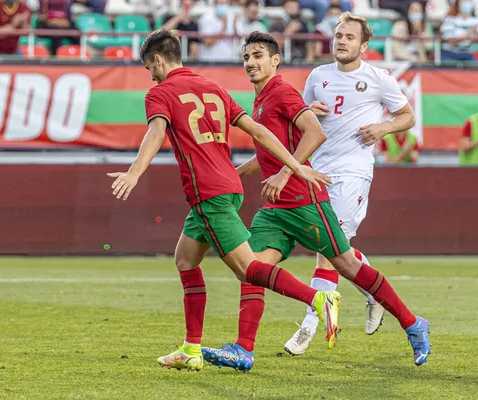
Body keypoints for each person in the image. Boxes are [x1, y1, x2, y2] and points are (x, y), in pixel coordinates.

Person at [107, 29, 339, 372]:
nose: (150, 74)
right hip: (226, 186)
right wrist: (295, 166)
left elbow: (156, 133)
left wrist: (134, 173)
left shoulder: (160, 92)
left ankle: (317, 299)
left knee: (249, 269)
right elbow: (260, 132)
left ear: (158, 60)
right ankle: (190, 349)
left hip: (209, 193)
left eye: (149, 67)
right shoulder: (213, 87)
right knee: (185, 260)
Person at [200, 31, 431, 371]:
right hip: (276, 208)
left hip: (305, 202)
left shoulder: (281, 92)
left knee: (347, 266)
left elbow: (316, 133)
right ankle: (243, 350)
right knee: (252, 270)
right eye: (247, 57)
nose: (251, 62)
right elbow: (269, 154)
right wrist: (233, 175)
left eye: (259, 56)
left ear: (275, 60)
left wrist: (283, 174)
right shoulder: (261, 100)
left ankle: (413, 323)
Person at [283, 12, 424, 355]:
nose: (342, 41)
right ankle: (372, 291)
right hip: (318, 171)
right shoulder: (318, 75)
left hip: (354, 172)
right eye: (339, 35)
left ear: (363, 45)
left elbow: (408, 116)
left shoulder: (379, 78)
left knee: (326, 251)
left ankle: (308, 325)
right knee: (333, 246)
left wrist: (383, 128)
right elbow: (302, 119)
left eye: (349, 37)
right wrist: (308, 110)